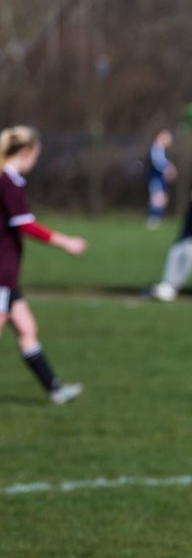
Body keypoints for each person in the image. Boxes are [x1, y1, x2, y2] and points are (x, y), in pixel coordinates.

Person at [0, 126, 86, 405]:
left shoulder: (11, 182)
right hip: (0, 274)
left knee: (27, 330)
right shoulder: (7, 183)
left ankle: (55, 391)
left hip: (9, 276)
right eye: (36, 154)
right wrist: (66, 242)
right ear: (26, 153)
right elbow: (24, 224)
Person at [146, 128, 177, 229]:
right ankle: (153, 219)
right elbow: (159, 163)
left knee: (162, 198)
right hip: (156, 178)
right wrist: (169, 169)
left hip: (160, 178)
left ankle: (157, 218)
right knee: (157, 198)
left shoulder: (161, 150)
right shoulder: (156, 149)